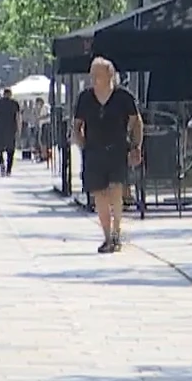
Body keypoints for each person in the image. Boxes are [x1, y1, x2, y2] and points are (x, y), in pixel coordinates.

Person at [73, 57, 142, 254]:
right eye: (92, 74)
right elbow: (77, 125)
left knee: (115, 190)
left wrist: (136, 146)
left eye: (98, 74)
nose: (94, 78)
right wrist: (81, 143)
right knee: (100, 195)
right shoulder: (85, 98)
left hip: (117, 149)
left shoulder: (123, 97)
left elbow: (136, 122)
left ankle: (116, 232)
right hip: (94, 151)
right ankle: (106, 236)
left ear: (109, 75)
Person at [0, 87, 22, 176]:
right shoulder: (15, 103)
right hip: (11, 130)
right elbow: (18, 117)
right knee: (10, 151)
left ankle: (1, 164)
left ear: (4, 94)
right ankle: (8, 170)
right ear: (11, 94)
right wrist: (19, 130)